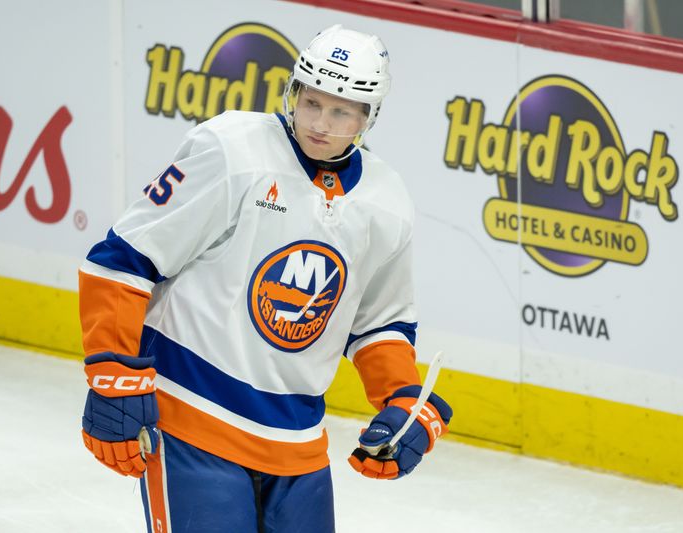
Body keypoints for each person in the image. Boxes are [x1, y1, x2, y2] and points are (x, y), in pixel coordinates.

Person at [78, 24, 453, 533]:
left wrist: (402, 399)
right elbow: (125, 259)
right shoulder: (231, 149)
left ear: (369, 116)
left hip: (298, 447)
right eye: (311, 102)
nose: (320, 123)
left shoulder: (386, 202)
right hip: (192, 420)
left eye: (341, 111)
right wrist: (112, 374)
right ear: (293, 91)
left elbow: (378, 325)